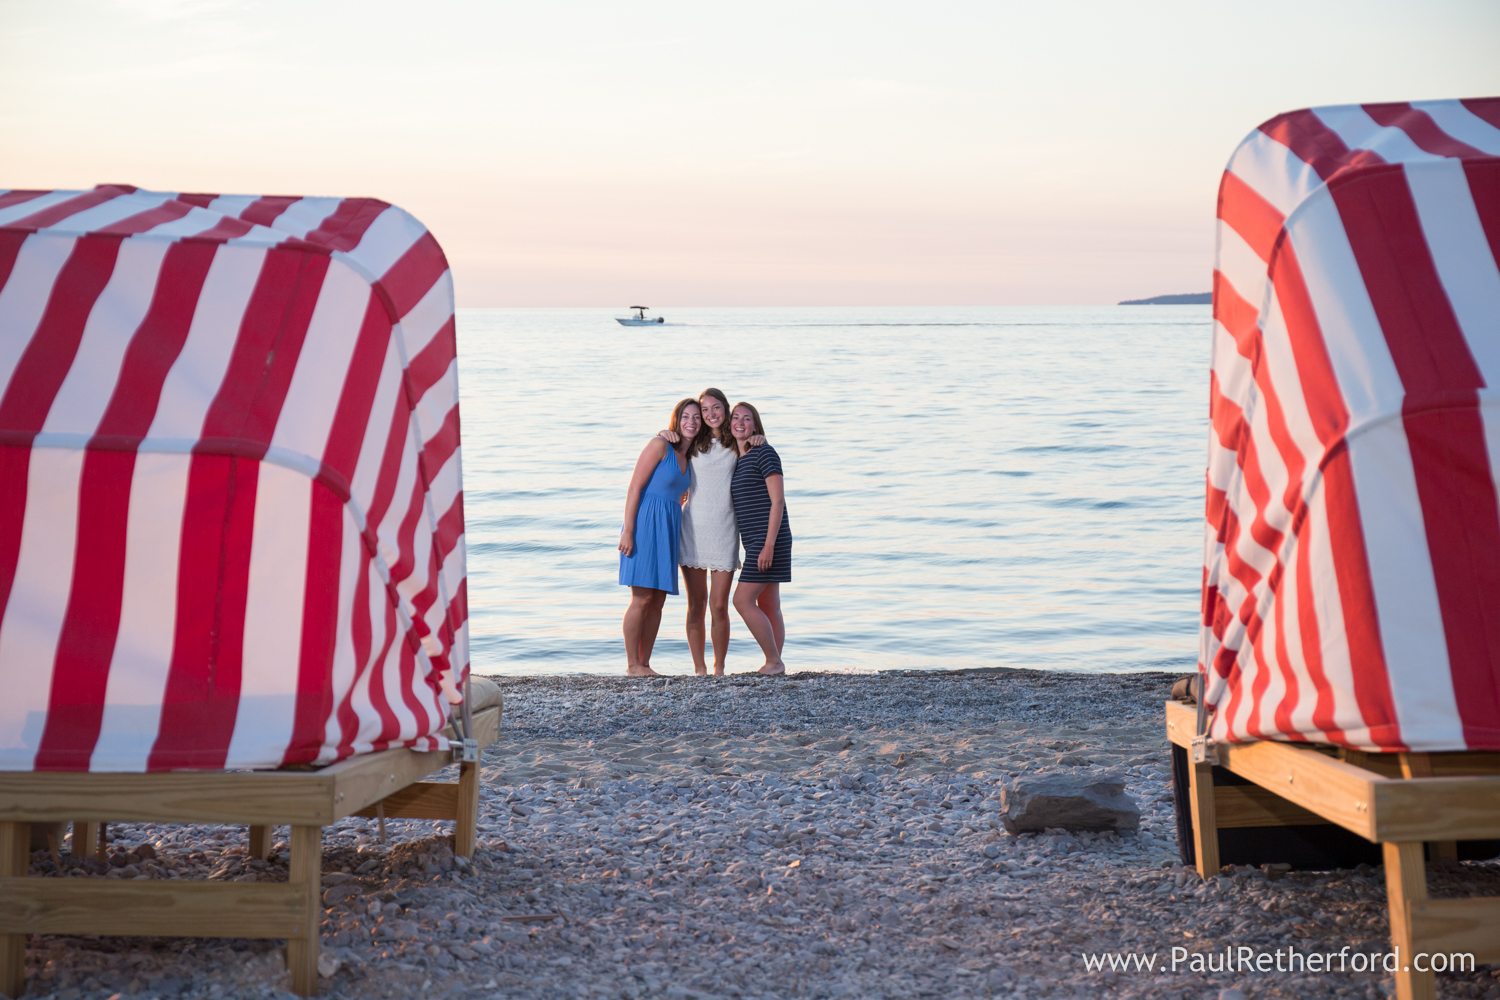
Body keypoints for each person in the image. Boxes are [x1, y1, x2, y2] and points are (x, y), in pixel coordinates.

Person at [619, 398, 703, 676]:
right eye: (685, 417)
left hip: (668, 527)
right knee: (641, 597)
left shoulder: (689, 457)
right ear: (676, 420)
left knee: (658, 600)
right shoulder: (659, 446)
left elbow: (678, 492)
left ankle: (645, 663)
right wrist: (628, 530)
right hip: (644, 524)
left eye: (696, 417)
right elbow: (634, 488)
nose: (691, 422)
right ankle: (632, 665)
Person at [729, 402, 791, 676]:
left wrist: (768, 546)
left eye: (747, 418)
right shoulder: (739, 458)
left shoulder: (764, 453)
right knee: (769, 604)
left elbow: (777, 502)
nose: (740, 422)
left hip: (769, 539)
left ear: (755, 425)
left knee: (741, 601)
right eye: (736, 418)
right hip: (754, 539)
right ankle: (775, 663)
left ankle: (773, 661)